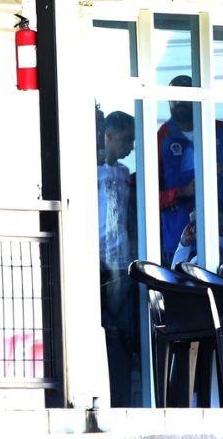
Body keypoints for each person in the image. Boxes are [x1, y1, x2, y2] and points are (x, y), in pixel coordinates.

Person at [157, 75, 223, 266]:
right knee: (184, 293)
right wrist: (183, 192)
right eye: (173, 96)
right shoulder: (162, 138)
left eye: (185, 95)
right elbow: (149, 199)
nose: (178, 102)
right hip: (179, 239)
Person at [97, 110, 138, 407]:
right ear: (108, 136)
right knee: (107, 327)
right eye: (126, 139)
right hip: (98, 260)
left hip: (122, 261)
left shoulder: (124, 175)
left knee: (124, 330)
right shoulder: (92, 172)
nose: (130, 147)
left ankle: (123, 395)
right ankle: (108, 392)